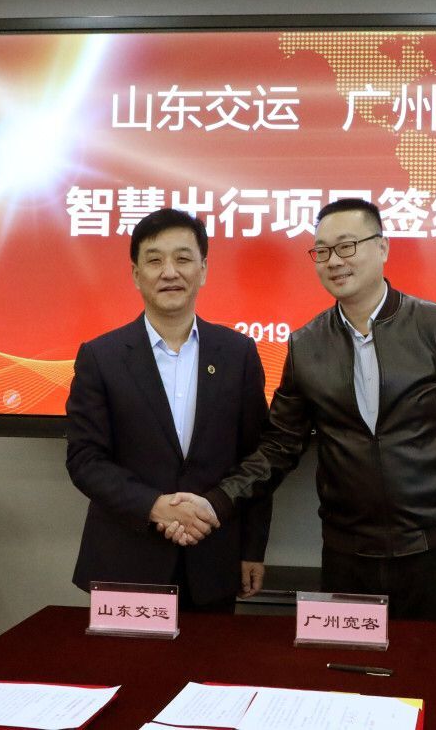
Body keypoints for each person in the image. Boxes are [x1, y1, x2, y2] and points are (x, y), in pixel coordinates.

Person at [178, 197, 436, 623]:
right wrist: (216, 502)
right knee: (350, 663)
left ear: (382, 248)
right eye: (322, 251)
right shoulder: (307, 345)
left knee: (432, 660)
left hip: (435, 547)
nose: (334, 261)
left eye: (347, 246)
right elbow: (279, 447)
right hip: (349, 551)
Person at [65, 207, 271, 611]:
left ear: (203, 270)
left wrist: (252, 549)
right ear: (135, 273)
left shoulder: (238, 353)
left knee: (210, 654)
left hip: (214, 556)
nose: (169, 272)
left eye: (183, 258)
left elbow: (256, 458)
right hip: (126, 558)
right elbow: (85, 459)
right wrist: (154, 506)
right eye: (155, 260)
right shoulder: (101, 356)